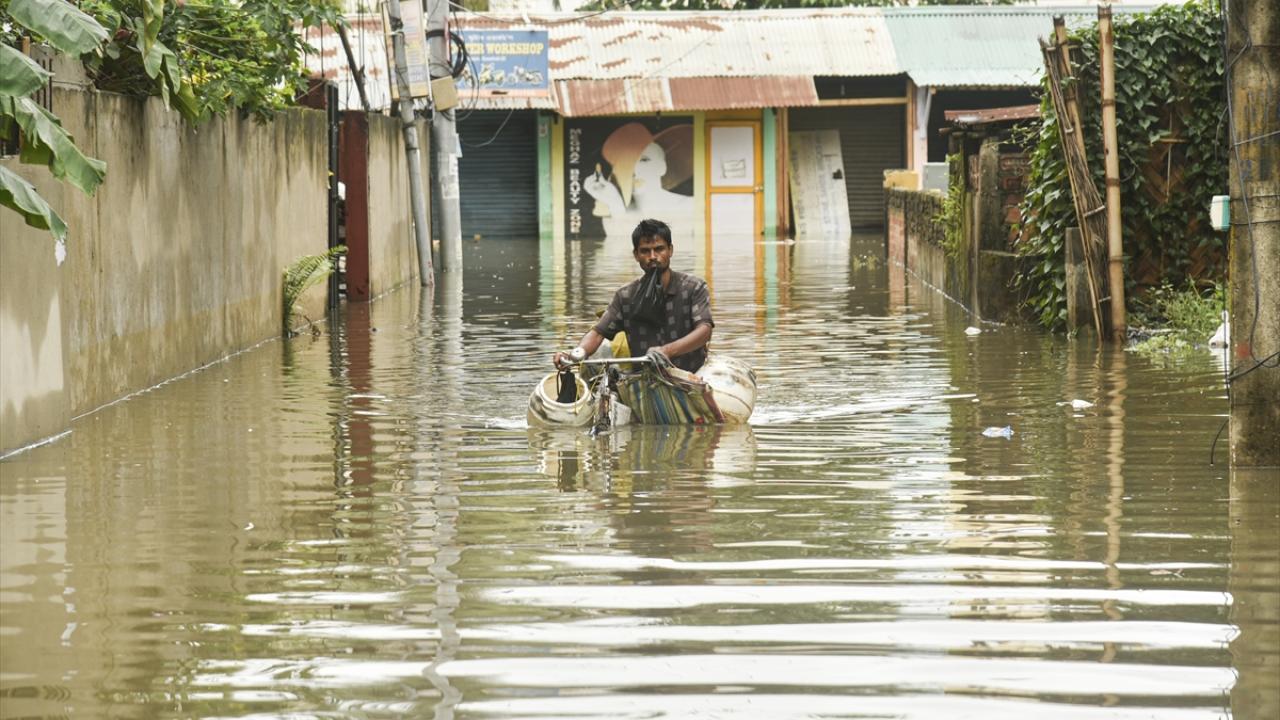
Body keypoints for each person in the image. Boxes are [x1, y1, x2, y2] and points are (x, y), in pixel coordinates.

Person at [554, 219, 713, 374]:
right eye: (645, 251)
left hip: (691, 378)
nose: (652, 256)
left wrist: (667, 351)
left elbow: (704, 331)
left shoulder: (693, 287)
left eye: (659, 249)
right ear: (636, 255)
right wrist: (574, 355)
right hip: (644, 381)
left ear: (670, 250)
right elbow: (598, 333)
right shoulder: (625, 296)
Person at [581, 123, 694, 242]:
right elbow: (620, 254)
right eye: (627, 164)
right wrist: (615, 204)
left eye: (644, 160)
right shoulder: (615, 213)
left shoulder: (690, 205)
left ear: (662, 167)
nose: (635, 171)